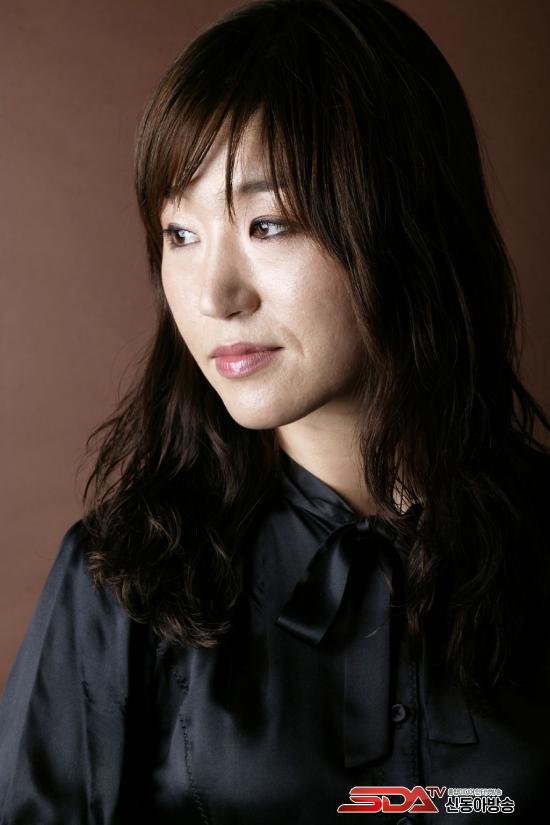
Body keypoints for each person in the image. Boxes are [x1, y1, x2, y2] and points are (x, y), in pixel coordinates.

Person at [1, 0, 549, 822]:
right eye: (180, 233)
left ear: (406, 225)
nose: (214, 296)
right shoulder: (126, 578)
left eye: (268, 223)